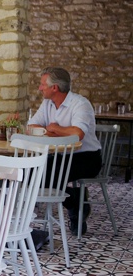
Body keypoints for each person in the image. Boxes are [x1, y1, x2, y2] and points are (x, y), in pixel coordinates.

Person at [28, 67, 102, 235]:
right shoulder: (47, 103)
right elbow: (31, 126)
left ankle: (75, 201)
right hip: (60, 156)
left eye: (42, 85)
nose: (40, 88)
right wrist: (52, 131)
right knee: (32, 173)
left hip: (86, 159)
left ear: (54, 88)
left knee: (41, 175)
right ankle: (74, 199)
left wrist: (55, 128)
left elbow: (77, 134)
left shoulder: (80, 104)